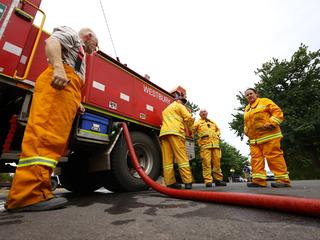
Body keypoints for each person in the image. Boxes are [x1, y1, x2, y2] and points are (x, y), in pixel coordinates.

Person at [5, 26, 99, 212]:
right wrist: (57, 68)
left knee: (53, 143)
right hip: (58, 86)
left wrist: (77, 100)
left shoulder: (79, 53)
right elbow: (52, 41)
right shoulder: (72, 34)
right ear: (89, 36)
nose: (96, 49)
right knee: (44, 138)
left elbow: (73, 73)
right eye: (96, 44)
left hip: (68, 91)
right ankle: (26, 196)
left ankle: (40, 191)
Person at [244, 88, 290, 188]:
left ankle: (283, 180)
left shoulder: (265, 101)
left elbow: (277, 112)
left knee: (274, 157)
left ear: (256, 94)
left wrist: (272, 123)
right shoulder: (247, 108)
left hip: (269, 136)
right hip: (254, 140)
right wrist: (246, 130)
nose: (249, 96)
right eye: (247, 95)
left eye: (251, 93)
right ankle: (258, 181)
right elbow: (247, 122)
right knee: (256, 159)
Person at [159, 91, 194, 189]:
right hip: (176, 132)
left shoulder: (166, 109)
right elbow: (188, 118)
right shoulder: (180, 106)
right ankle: (187, 181)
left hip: (164, 133)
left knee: (167, 160)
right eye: (183, 102)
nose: (183, 104)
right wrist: (191, 131)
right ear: (181, 101)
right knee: (181, 157)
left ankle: (170, 182)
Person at [192, 109, 227, 187]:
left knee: (217, 163)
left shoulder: (212, 122)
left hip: (215, 145)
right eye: (202, 112)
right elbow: (192, 131)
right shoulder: (197, 123)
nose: (204, 113)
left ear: (207, 113)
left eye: (205, 111)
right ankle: (208, 181)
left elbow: (218, 130)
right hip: (205, 146)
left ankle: (218, 180)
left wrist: (217, 135)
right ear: (199, 114)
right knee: (206, 163)